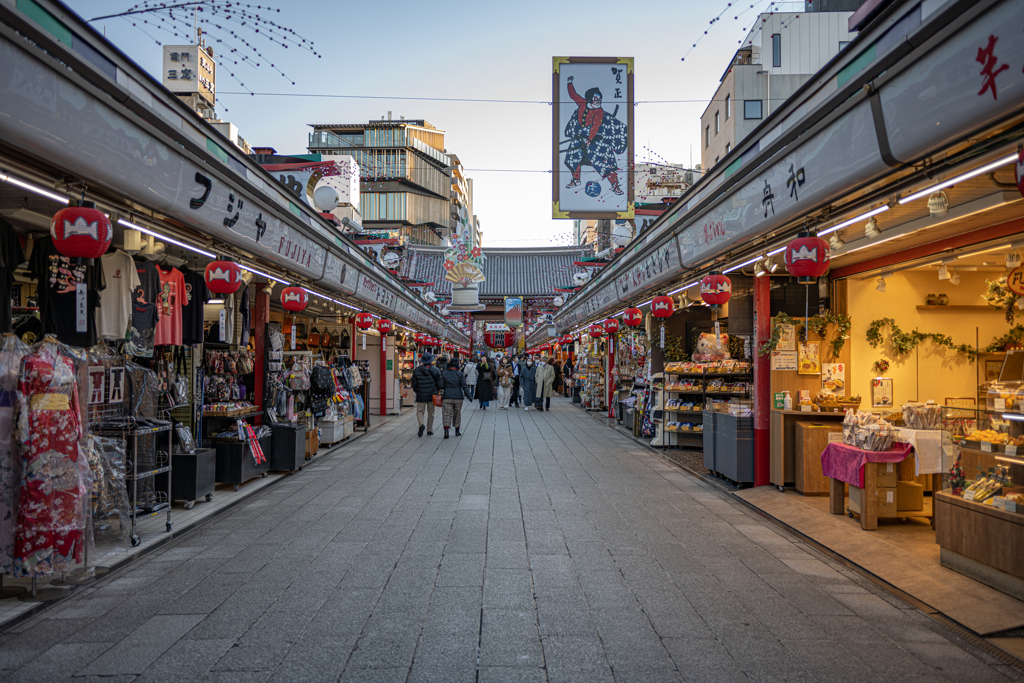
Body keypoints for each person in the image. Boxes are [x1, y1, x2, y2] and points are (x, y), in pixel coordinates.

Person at [440, 358, 473, 438]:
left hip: (447, 397)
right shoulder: (460, 374)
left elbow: (441, 385)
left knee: (446, 413)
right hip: (458, 397)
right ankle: (457, 430)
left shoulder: (444, 373)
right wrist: (469, 396)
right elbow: (464, 386)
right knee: (457, 414)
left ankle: (446, 430)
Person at [411, 352, 441, 436]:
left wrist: (417, 391)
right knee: (431, 412)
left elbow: (414, 383)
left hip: (421, 394)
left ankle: (421, 424)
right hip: (432, 395)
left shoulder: (417, 370)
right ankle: (429, 429)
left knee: (420, 411)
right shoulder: (435, 370)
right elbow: (439, 383)